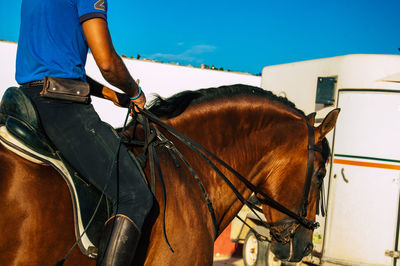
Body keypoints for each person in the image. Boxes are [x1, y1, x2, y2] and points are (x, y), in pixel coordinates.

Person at [15, 0, 153, 265]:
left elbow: (55, 67)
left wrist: (111, 94)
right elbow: (107, 62)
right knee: (135, 195)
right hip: (61, 109)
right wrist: (134, 92)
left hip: (24, 101)